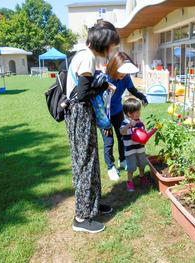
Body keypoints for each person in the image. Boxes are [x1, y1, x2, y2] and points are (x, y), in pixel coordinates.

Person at [65, 20, 119, 234]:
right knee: (84, 163)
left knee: (91, 160)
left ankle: (93, 205)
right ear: (103, 43)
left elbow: (85, 89)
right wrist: (104, 84)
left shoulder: (83, 55)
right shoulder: (87, 58)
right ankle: (81, 217)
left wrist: (102, 83)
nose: (112, 50)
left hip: (81, 115)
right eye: (112, 45)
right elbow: (83, 94)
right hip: (80, 115)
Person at [102, 52, 148, 181]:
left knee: (122, 136)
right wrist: (104, 122)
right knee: (108, 141)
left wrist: (142, 97)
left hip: (117, 110)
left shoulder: (126, 77)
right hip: (104, 115)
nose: (123, 76)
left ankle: (122, 160)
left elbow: (132, 89)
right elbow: (99, 103)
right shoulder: (105, 79)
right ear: (114, 67)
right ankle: (111, 167)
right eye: (121, 73)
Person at [120, 98, 150, 192]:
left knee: (142, 164)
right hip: (130, 150)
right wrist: (129, 125)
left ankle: (142, 177)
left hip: (140, 148)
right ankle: (130, 182)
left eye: (139, 111)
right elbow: (122, 132)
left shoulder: (140, 122)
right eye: (137, 111)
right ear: (129, 113)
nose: (139, 113)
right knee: (131, 167)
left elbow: (143, 134)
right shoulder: (125, 122)